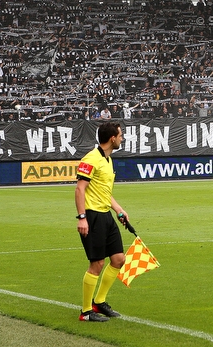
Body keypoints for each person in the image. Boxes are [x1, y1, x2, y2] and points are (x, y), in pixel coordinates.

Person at [75, 121, 130, 322]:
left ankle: (99, 302)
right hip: (92, 216)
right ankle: (86, 312)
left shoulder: (107, 159)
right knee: (97, 264)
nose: (122, 138)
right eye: (120, 135)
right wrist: (82, 218)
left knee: (118, 259)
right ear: (112, 138)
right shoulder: (91, 159)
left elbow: (104, 192)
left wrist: (119, 210)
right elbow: (80, 189)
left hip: (106, 215)